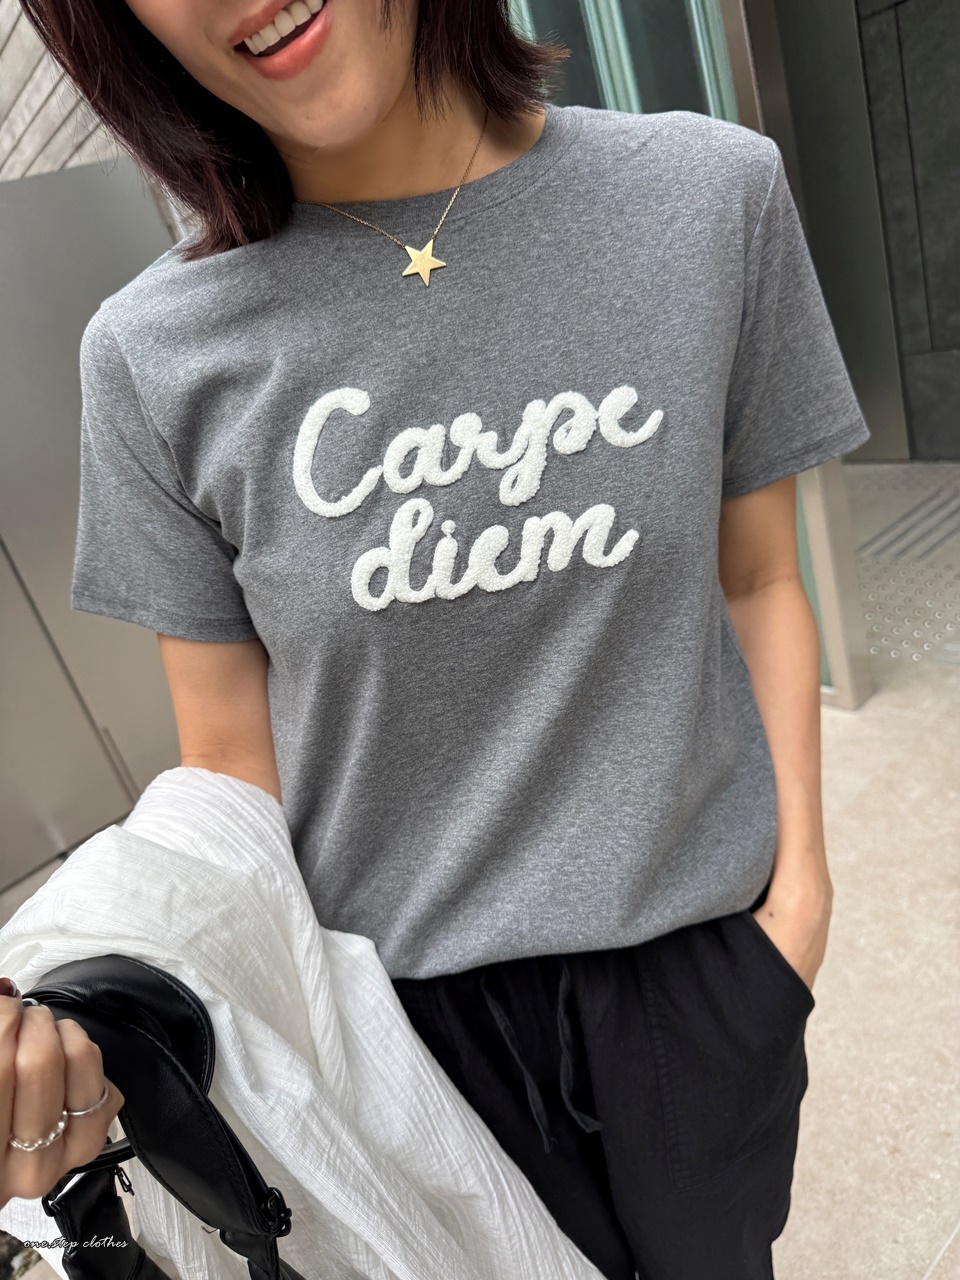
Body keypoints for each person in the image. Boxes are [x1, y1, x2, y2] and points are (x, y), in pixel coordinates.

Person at [4, 0, 871, 1274]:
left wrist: (797, 904)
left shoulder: (709, 197)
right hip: (401, 1039)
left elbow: (758, 575)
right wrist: (73, 1006)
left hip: (702, 970)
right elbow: (228, 768)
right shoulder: (150, 356)